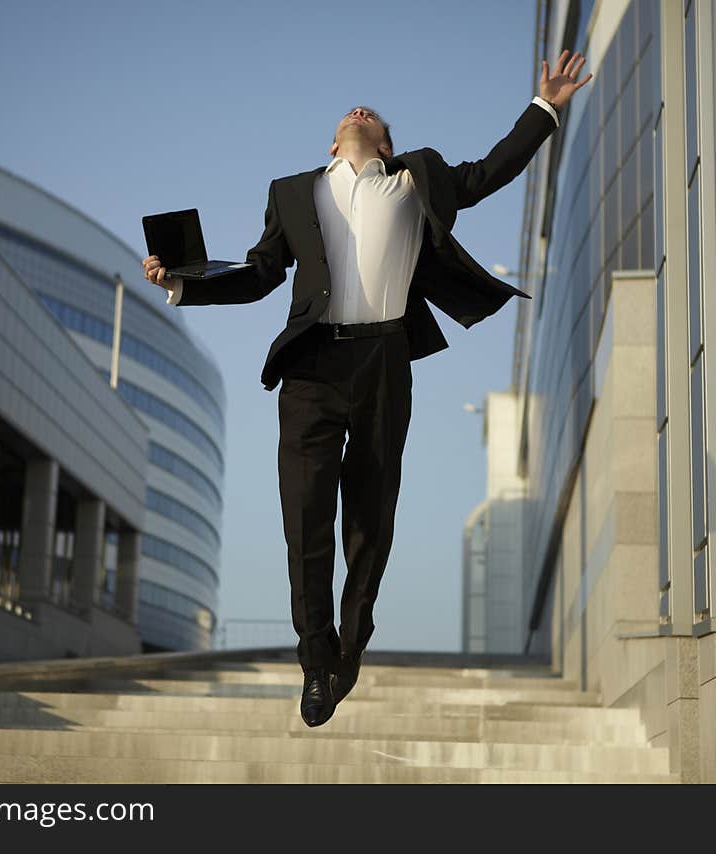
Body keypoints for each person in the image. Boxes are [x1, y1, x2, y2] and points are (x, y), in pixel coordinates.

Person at [144, 50, 592, 727]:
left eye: (373, 116)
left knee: (371, 517)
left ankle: (353, 642)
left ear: (384, 142)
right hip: (311, 367)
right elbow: (261, 273)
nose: (360, 111)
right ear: (331, 144)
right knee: (306, 518)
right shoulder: (294, 191)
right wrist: (183, 282)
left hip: (384, 358)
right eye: (351, 113)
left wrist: (546, 107)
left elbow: (490, 171)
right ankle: (315, 658)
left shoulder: (418, 178)